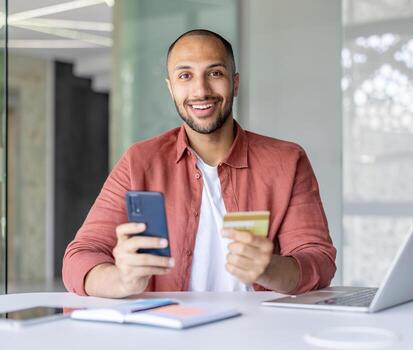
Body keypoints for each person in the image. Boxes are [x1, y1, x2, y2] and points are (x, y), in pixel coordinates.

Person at [62, 29, 336, 298]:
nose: (201, 90)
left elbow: (319, 260)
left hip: (259, 333)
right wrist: (122, 280)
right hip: (170, 334)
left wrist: (270, 269)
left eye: (215, 73)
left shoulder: (287, 161)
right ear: (171, 87)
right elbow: (79, 258)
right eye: (185, 76)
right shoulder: (139, 161)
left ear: (235, 83)